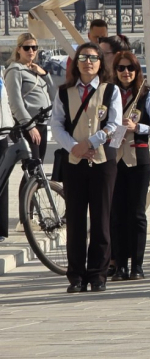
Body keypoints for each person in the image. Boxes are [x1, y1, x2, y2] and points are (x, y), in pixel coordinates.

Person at [50, 42, 122, 293]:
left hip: (102, 160)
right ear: (76, 62)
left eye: (93, 57)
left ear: (101, 63)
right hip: (74, 161)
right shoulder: (63, 92)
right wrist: (73, 147)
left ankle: (98, 274)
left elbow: (114, 124)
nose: (88, 62)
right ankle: (76, 275)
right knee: (76, 219)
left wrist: (91, 142)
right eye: (83, 57)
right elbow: (57, 125)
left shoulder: (110, 91)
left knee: (101, 219)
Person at [106, 51, 150, 282]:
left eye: (130, 68)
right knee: (116, 214)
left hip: (138, 159)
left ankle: (137, 265)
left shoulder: (146, 95)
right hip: (113, 158)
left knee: (136, 213)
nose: (125, 72)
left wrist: (137, 127)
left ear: (136, 70)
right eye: (121, 68)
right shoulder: (108, 93)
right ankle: (119, 264)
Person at [3, 33, 53, 228]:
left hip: (41, 125)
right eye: (27, 47)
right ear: (18, 49)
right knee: (30, 171)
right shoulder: (14, 70)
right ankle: (27, 218)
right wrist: (28, 125)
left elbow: (54, 95)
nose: (31, 51)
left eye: (34, 47)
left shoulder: (34, 71)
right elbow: (15, 101)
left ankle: (32, 214)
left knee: (37, 170)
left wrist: (45, 74)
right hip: (27, 126)